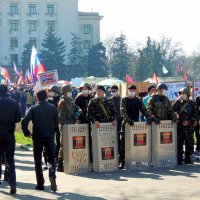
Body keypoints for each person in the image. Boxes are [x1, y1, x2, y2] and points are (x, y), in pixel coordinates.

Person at [21, 90, 58, 191]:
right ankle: (52, 174)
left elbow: (24, 121)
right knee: (51, 158)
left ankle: (40, 184)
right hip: (50, 136)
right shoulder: (52, 107)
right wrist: (54, 133)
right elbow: (56, 123)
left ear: (37, 97)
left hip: (37, 136)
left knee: (38, 160)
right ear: (46, 97)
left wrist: (27, 133)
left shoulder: (33, 108)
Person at [120, 84, 152, 169]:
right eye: (130, 91)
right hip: (126, 124)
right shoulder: (124, 100)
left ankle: (138, 160)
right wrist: (128, 119)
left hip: (136, 124)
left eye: (134, 91)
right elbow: (122, 111)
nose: (132, 92)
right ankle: (122, 161)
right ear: (128, 91)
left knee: (137, 143)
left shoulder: (138, 100)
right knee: (124, 143)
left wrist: (148, 118)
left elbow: (144, 110)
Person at [0, 84, 21, 194]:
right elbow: (18, 119)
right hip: (9, 133)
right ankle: (12, 183)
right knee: (10, 159)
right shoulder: (14, 102)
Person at [57, 84, 81, 172]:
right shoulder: (63, 102)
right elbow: (62, 118)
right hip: (65, 126)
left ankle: (69, 162)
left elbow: (77, 108)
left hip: (71, 125)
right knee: (63, 145)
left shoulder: (70, 100)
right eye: (70, 91)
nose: (71, 93)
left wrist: (77, 113)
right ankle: (60, 164)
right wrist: (70, 123)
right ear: (66, 92)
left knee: (71, 145)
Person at [172, 87, 198, 164]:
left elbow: (196, 115)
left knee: (189, 142)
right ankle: (179, 158)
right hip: (180, 125)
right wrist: (177, 100)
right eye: (181, 93)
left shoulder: (193, 104)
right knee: (179, 143)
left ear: (188, 94)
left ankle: (188, 158)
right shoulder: (179, 103)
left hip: (189, 127)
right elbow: (172, 109)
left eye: (183, 93)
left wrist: (189, 122)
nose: (182, 95)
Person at [75, 82, 93, 163]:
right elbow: (74, 110)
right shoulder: (78, 99)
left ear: (89, 89)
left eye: (86, 89)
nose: (84, 90)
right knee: (81, 141)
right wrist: (77, 119)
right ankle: (81, 158)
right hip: (81, 122)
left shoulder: (92, 98)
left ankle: (90, 158)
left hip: (90, 122)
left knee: (90, 140)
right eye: (83, 89)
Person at [47, 85, 61, 162]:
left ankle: (57, 156)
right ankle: (50, 156)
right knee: (50, 141)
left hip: (58, 123)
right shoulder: (49, 100)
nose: (50, 92)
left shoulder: (61, 100)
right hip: (51, 123)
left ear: (56, 92)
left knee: (59, 141)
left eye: (51, 91)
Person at [109, 85, 122, 153]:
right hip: (112, 121)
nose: (112, 92)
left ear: (117, 91)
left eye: (114, 91)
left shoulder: (122, 99)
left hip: (121, 121)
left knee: (120, 137)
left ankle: (120, 152)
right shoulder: (109, 100)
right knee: (113, 137)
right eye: (111, 91)